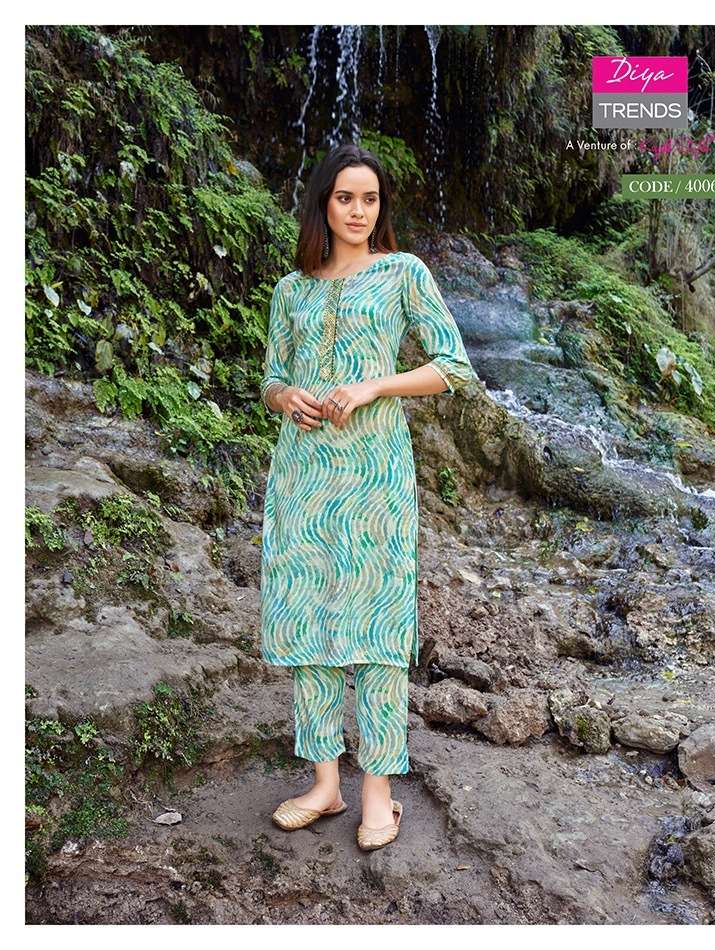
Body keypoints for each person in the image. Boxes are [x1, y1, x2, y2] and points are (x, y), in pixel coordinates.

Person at [259, 143, 476, 850]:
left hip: (375, 475)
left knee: (379, 626)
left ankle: (378, 791)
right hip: (303, 474)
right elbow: (270, 376)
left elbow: (453, 367)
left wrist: (375, 385)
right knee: (310, 618)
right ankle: (325, 783)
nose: (358, 211)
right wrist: (285, 396)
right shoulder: (291, 290)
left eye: (370, 199)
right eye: (345, 197)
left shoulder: (402, 273)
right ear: (323, 202)